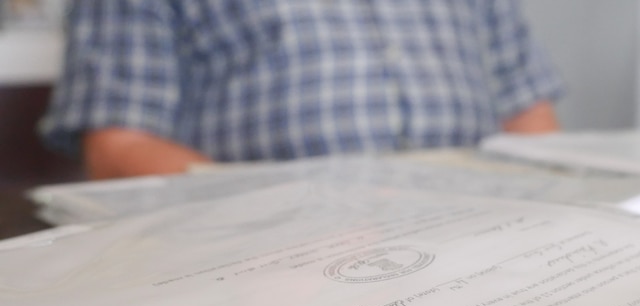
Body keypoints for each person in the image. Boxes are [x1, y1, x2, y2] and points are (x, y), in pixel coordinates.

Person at [41, 0, 564, 180]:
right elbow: (117, 148)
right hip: (264, 270)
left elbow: (529, 117)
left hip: (480, 249)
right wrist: (278, 214)